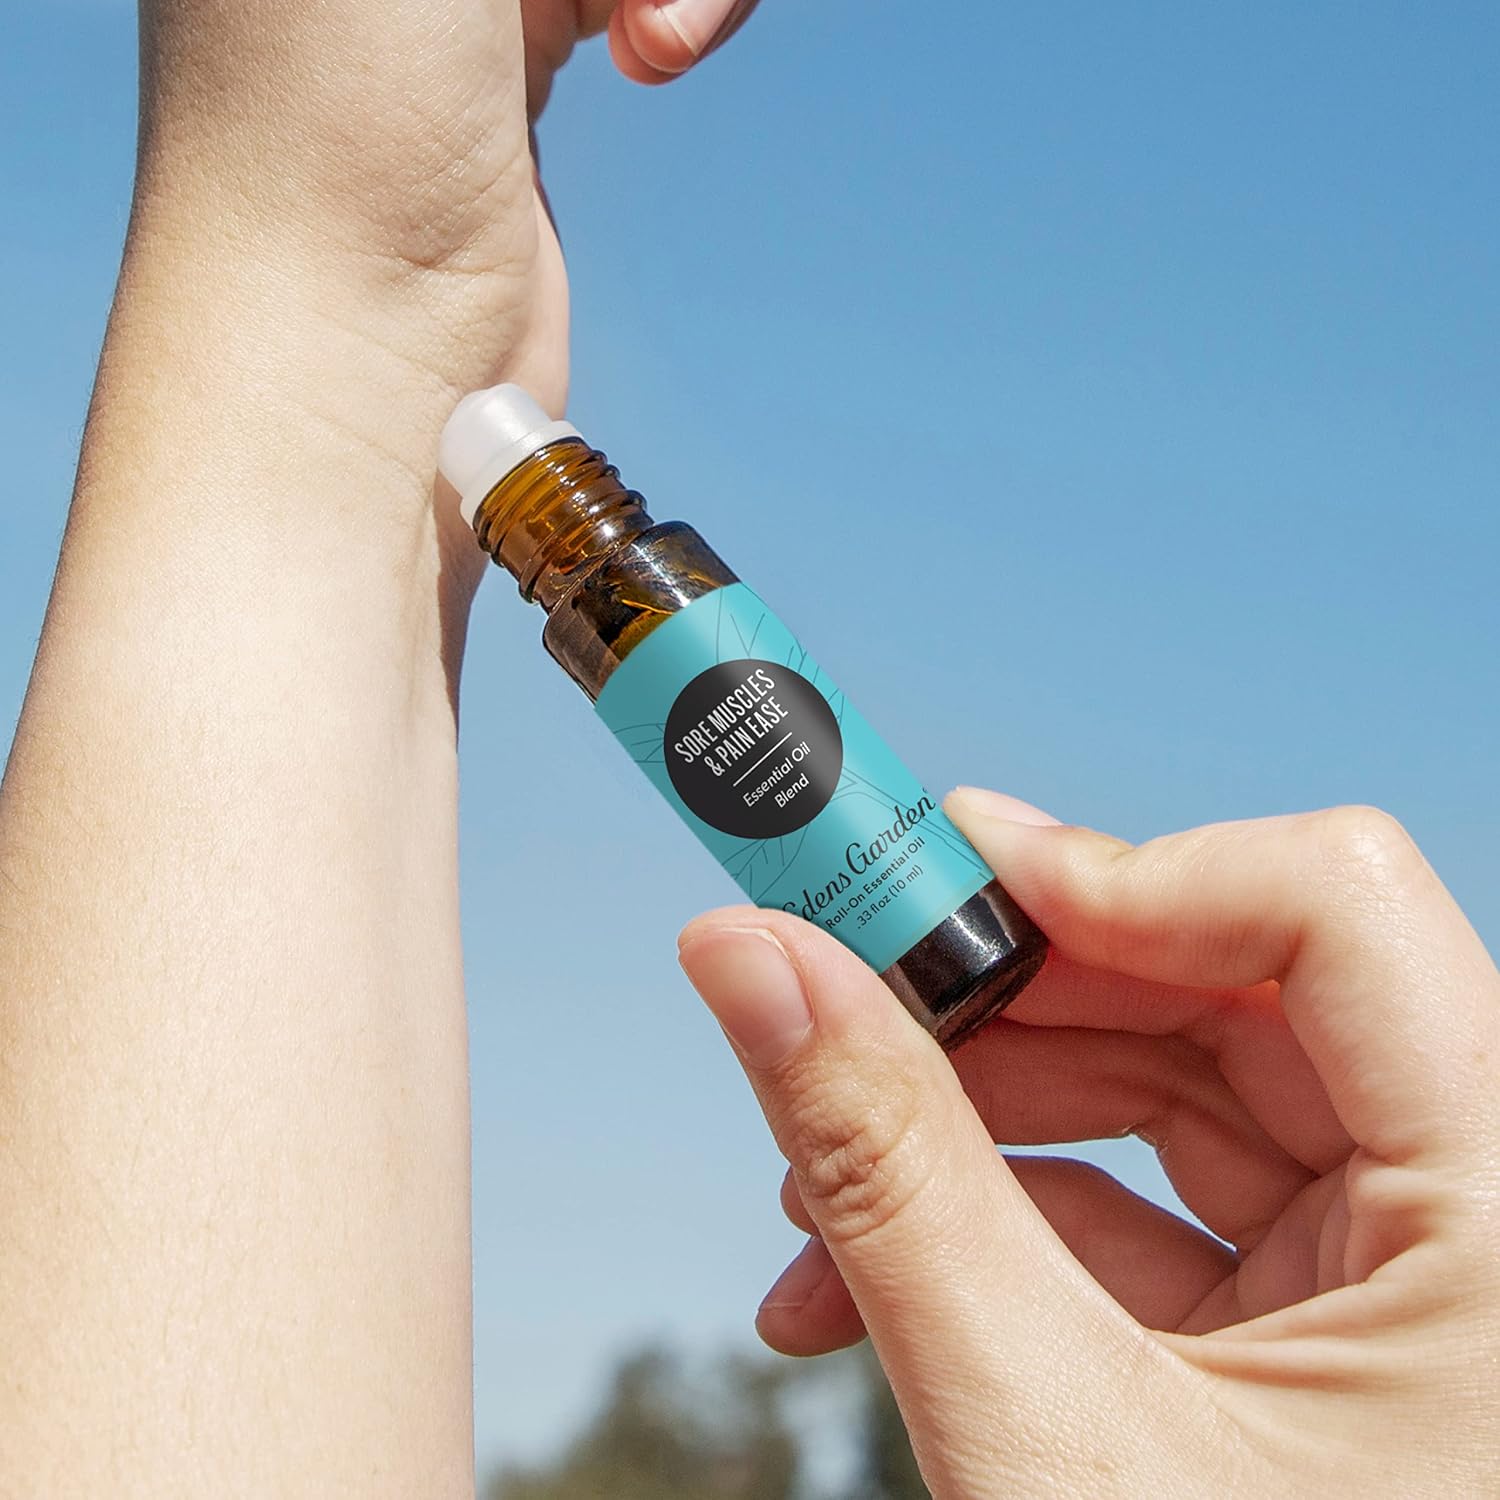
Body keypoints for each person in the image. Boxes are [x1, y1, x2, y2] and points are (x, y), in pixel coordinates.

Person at [0, 1, 1494, 1493]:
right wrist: (361, 292)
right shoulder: (600, 618)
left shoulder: (650, 570)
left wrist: (337, 295)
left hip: (943, 926)